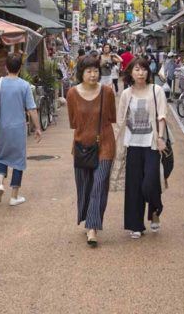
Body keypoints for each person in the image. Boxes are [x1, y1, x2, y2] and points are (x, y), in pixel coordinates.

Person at [112, 57, 168, 239]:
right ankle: (135, 225)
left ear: (148, 72)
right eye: (136, 69)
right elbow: (120, 120)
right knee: (134, 185)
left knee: (150, 182)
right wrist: (117, 143)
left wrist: (160, 138)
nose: (140, 73)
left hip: (151, 143)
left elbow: (162, 115)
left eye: (143, 69)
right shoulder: (127, 94)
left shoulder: (156, 90)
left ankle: (155, 209)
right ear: (130, 73)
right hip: (133, 143)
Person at [67, 55, 117, 247]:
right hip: (81, 145)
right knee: (85, 186)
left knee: (99, 184)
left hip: (105, 143)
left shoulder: (107, 92)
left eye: (95, 70)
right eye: (89, 71)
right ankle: (87, 216)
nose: (93, 75)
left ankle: (92, 227)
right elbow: (73, 122)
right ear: (81, 73)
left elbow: (111, 117)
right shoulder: (72, 93)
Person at [0, 54, 42, 206]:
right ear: (20, 68)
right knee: (18, 160)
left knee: (2, 156)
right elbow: (31, 109)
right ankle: (14, 196)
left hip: (2, 126)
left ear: (6, 67)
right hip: (18, 127)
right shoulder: (24, 85)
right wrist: (37, 128)